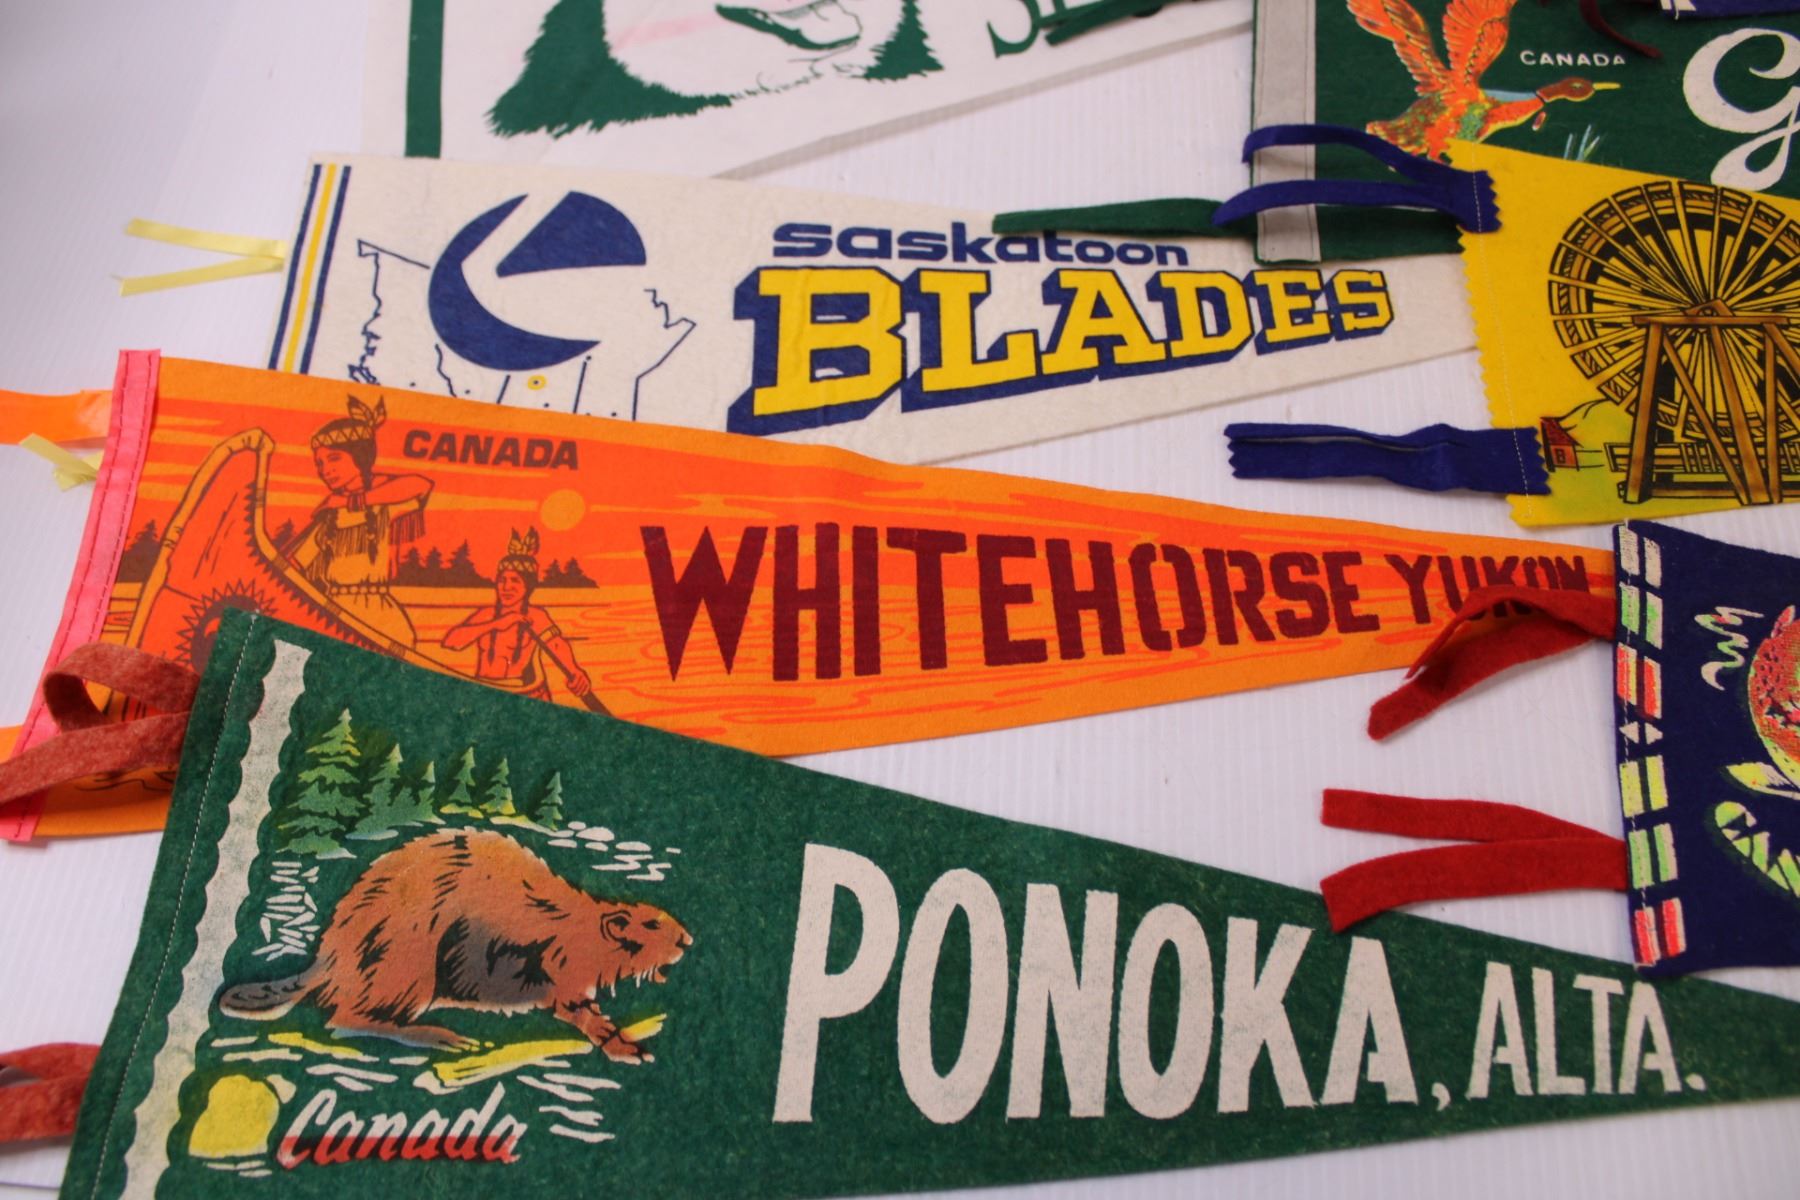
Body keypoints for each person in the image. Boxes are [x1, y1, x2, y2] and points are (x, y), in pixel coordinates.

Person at [287, 396, 433, 647]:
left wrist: (351, 501)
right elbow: (294, 565)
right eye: (319, 463)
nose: (325, 470)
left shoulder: (383, 506)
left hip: (378, 613)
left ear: (361, 456)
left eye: (334, 458)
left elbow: (421, 485)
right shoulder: (329, 516)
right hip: (333, 612)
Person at [442, 528, 599, 708]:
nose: (506, 587)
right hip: (485, 692)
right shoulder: (485, 614)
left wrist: (575, 671)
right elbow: (451, 642)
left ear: (528, 586)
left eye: (515, 580)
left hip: (526, 694)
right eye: (502, 580)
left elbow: (556, 644)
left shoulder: (535, 616)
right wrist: (497, 624)